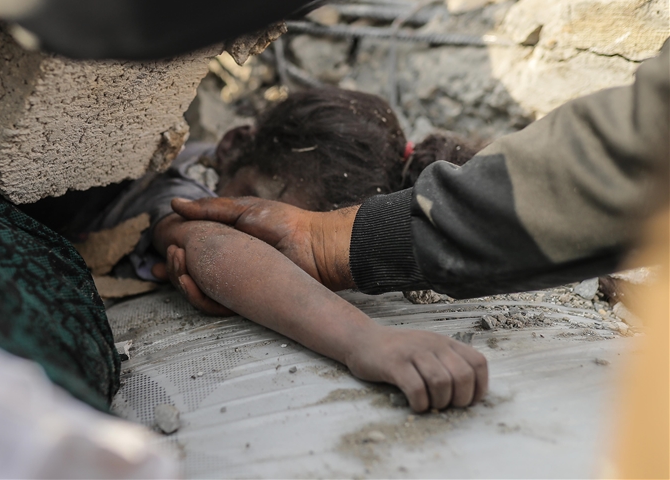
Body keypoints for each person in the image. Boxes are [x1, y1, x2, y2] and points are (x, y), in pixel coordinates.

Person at [164, 39, 669, 314]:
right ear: (238, 142)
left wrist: (362, 342)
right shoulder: (176, 168)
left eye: (253, 204)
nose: (241, 224)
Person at [83, 87, 487, 412]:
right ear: (232, 145)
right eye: (253, 206)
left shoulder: (240, 172)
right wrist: (364, 339)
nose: (261, 250)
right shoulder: (187, 188)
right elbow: (216, 244)